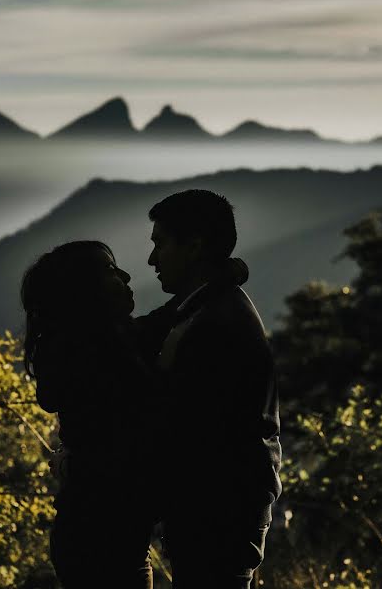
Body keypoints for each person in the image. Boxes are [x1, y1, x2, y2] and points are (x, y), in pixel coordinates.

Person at [142, 189, 282, 589]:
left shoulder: (214, 324)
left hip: (218, 520)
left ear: (195, 246)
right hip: (224, 517)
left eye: (160, 243)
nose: (152, 259)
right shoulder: (207, 306)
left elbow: (191, 433)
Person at [20, 241, 157, 589]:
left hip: (105, 537)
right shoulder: (97, 358)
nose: (126, 276)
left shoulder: (105, 345)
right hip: (103, 543)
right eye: (111, 270)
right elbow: (116, 452)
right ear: (85, 290)